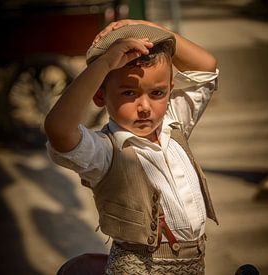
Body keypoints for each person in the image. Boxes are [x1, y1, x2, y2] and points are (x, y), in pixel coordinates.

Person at [45, 19, 219, 275]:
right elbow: (58, 129)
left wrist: (150, 29)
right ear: (100, 96)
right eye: (129, 93)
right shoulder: (105, 151)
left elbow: (206, 66)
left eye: (157, 94)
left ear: (170, 91)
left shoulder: (174, 124)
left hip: (194, 266)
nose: (145, 107)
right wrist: (104, 65)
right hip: (137, 268)